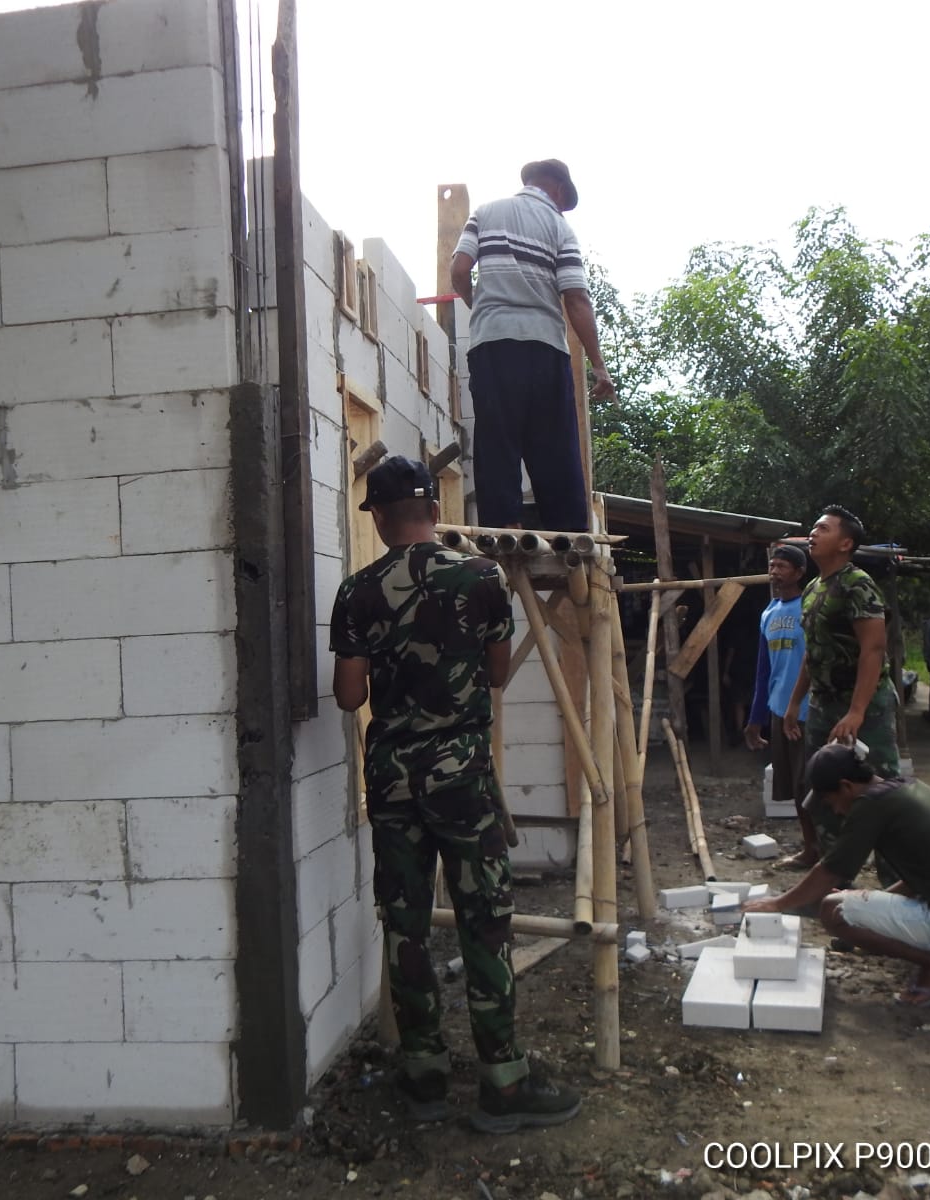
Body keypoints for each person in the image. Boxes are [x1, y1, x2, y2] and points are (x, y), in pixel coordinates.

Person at [330, 455, 579, 1133]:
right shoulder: (480, 578)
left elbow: (349, 696)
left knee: (405, 921)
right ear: (433, 514)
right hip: (462, 777)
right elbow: (497, 674)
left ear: (378, 518)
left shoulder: (356, 590)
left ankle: (423, 1071)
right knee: (484, 919)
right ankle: (503, 1078)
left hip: (391, 781)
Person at [744, 744, 930, 1008]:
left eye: (832, 803)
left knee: (833, 909)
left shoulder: (870, 806)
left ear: (846, 787)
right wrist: (874, 903)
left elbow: (829, 872)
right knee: (855, 902)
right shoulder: (909, 788)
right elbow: (922, 877)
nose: (836, 811)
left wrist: (778, 904)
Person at [450, 159, 614, 532]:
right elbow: (576, 298)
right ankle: (567, 532)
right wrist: (598, 365)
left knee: (497, 440)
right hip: (544, 348)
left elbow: (459, 271)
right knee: (554, 446)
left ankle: (504, 527)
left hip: (492, 344)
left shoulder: (485, 213)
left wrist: (483, 307)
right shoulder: (560, 227)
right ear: (557, 189)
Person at [782, 505, 899, 774]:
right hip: (822, 705)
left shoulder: (857, 583)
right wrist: (794, 702)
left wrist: (857, 711)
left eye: (823, 529)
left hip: (864, 706)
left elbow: (874, 648)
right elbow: (813, 651)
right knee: (820, 783)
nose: (813, 533)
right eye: (813, 528)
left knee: (875, 783)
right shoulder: (812, 588)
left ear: (845, 543)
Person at [743, 544, 819, 866]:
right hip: (778, 710)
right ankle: (811, 850)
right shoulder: (768, 613)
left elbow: (817, 660)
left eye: (782, 567)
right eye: (772, 566)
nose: (774, 573)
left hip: (806, 712)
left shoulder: (811, 608)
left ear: (800, 573)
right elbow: (764, 671)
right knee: (794, 790)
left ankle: (825, 852)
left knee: (813, 785)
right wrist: (755, 718)